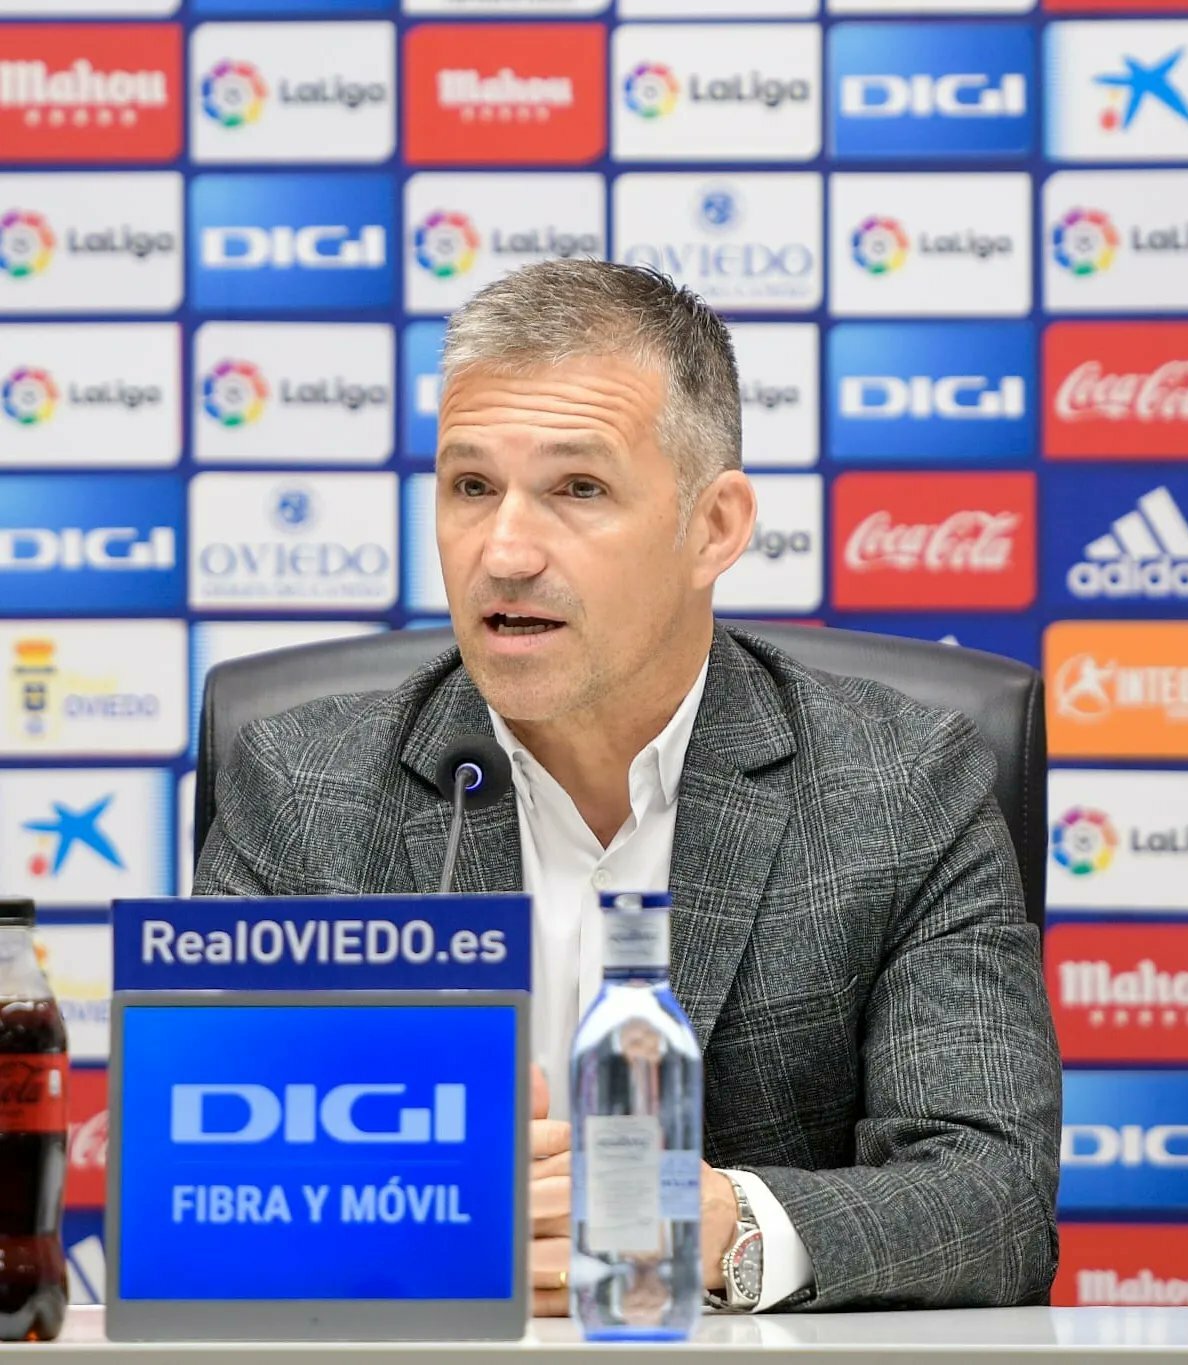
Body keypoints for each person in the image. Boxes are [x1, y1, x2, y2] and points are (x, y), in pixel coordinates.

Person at [194, 259, 1062, 1316]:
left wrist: (714, 1226)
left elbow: (995, 1199)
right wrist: (425, 1216)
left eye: (579, 489)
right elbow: (207, 1191)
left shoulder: (900, 785)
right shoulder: (304, 786)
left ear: (714, 527)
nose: (505, 551)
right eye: (471, 487)